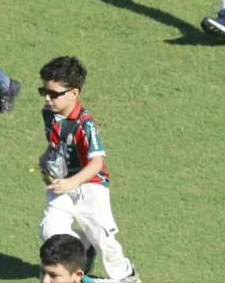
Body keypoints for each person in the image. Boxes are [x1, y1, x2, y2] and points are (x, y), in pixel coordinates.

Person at [37, 56, 139, 283]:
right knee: (49, 232)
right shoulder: (48, 113)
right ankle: (81, 249)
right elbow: (56, 143)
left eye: (54, 93)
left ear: (73, 93)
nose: (47, 98)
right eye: (44, 91)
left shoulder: (85, 124)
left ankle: (125, 275)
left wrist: (70, 183)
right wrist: (45, 158)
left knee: (103, 237)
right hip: (61, 183)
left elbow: (97, 164)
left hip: (90, 186)